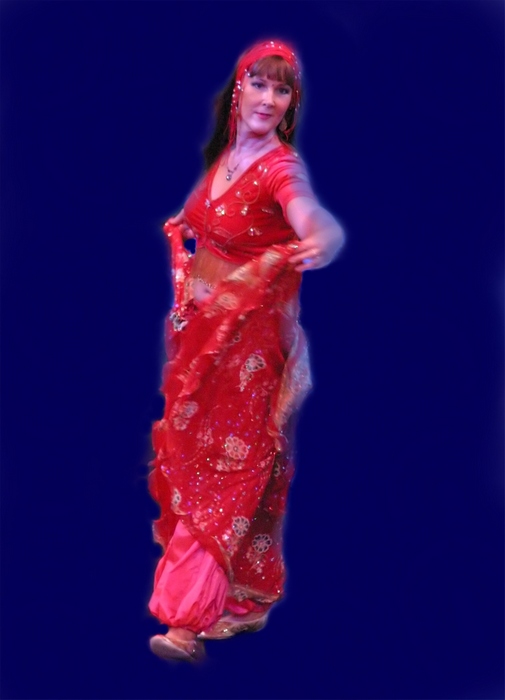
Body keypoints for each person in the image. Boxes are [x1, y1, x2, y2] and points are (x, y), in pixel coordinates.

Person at [147, 38, 345, 663]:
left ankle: (184, 621)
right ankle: (246, 596)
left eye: (282, 89)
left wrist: (324, 235)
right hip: (201, 339)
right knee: (223, 464)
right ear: (239, 88)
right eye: (259, 83)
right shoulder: (229, 156)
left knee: (226, 468)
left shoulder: (282, 167)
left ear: (291, 105)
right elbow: (221, 224)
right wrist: (188, 228)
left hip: (247, 348)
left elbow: (307, 213)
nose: (268, 98)